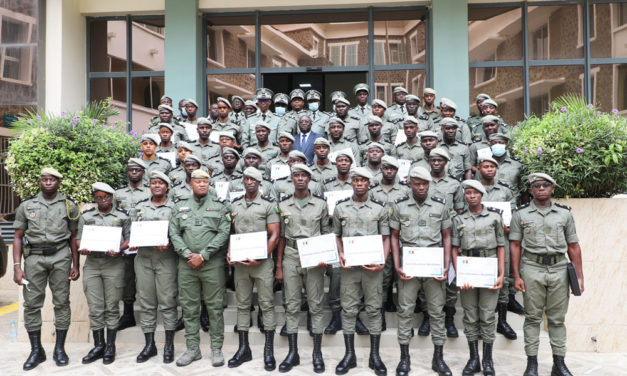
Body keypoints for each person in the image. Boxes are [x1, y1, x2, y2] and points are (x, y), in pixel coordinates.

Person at [510, 173, 584, 376]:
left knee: (557, 320)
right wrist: (516, 275)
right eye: (536, 186)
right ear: (531, 190)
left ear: (552, 188)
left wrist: (579, 276)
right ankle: (531, 364)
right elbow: (515, 245)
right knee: (533, 318)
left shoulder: (565, 214)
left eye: (545, 185)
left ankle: (559, 364)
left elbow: (574, 246)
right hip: (532, 268)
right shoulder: (520, 215)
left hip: (560, 269)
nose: (541, 189)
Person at [12, 167, 80, 370]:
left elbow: (73, 237)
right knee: (32, 304)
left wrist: (75, 264)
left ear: (59, 182)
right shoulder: (27, 205)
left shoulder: (68, 205)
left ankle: (60, 348)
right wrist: (17, 267)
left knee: (61, 303)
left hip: (60, 257)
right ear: (40, 182)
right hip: (34, 259)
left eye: (52, 180)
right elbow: (17, 237)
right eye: (44, 179)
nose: (48, 183)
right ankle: (36, 350)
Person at [389, 166, 453, 376]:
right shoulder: (400, 206)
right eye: (417, 183)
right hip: (409, 264)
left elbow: (446, 237)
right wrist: (397, 266)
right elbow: (395, 237)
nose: (421, 187)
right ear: (410, 184)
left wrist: (445, 266)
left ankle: (438, 358)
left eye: (425, 183)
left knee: (436, 312)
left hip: (433, 264)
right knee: (405, 311)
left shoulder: (440, 205)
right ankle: (404, 358)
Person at [169, 169, 231, 367]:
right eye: (198, 181)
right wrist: (188, 253)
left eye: (205, 181)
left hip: (212, 264)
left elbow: (223, 233)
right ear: (190, 183)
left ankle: (216, 349)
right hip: (187, 265)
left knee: (214, 307)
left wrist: (203, 255)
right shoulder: (180, 207)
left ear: (210, 183)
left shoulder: (220, 207)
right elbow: (174, 233)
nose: (202, 184)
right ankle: (193, 349)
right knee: (189, 308)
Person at [333, 167, 389, 376]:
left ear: (369, 184)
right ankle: (350, 355)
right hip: (349, 268)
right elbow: (336, 236)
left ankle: (375, 356)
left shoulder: (379, 209)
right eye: (355, 180)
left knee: (374, 309)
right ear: (351, 183)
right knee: (348, 310)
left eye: (363, 181)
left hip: (372, 268)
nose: (358, 184)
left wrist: (382, 260)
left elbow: (386, 238)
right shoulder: (340, 208)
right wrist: (340, 255)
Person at [275, 163, 330, 373]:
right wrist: (279, 266)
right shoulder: (284, 204)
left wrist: (326, 256)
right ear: (292, 179)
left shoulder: (320, 204)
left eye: (303, 175)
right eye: (296, 175)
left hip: (314, 257)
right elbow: (280, 236)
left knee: (316, 305)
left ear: (309, 179)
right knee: (292, 305)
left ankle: (317, 353)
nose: (299, 178)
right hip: (290, 255)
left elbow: (326, 233)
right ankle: (293, 352)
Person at [227, 167, 280, 371]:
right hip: (241, 264)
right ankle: (243, 348)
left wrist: (262, 256)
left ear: (260, 183)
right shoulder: (235, 205)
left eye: (253, 179)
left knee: (266, 304)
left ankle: (269, 350)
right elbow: (232, 233)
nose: (249, 182)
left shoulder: (268, 205)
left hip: (262, 263)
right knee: (242, 305)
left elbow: (274, 235)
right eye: (246, 178)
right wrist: (230, 252)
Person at [451, 180, 506, 376]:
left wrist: (500, 274)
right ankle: (473, 359)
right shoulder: (458, 219)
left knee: (488, 315)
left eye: (475, 193)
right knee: (470, 315)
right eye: (468, 193)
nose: (471, 196)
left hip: (488, 266)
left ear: (482, 195)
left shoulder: (494, 217)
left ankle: (488, 360)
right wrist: (459, 274)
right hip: (468, 269)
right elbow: (455, 249)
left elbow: (501, 246)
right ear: (464, 195)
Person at [77, 182, 131, 365]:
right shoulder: (86, 216)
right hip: (92, 264)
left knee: (112, 306)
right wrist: (82, 248)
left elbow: (130, 238)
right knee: (95, 307)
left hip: (113, 264)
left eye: (106, 197)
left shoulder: (122, 216)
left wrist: (119, 247)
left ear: (112, 198)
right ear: (95, 198)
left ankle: (111, 346)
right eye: (99, 197)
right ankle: (98, 345)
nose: (102, 201)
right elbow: (77, 240)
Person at [130, 171, 178, 364]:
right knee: (147, 302)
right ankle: (149, 345)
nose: (156, 186)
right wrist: (132, 241)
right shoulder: (141, 207)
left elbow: (179, 233)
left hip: (166, 259)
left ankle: (169, 344)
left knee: (167, 301)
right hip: (143, 259)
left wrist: (170, 243)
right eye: (153, 183)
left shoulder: (174, 207)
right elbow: (132, 229)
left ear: (167, 187)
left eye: (160, 183)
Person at [115, 159, 152, 331]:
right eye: (131, 170)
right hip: (126, 242)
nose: (134, 173)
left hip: (146, 241)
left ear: (143, 172)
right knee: (127, 278)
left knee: (147, 281)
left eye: (137, 170)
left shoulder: (150, 191)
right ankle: (128, 314)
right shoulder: (119, 193)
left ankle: (150, 314)